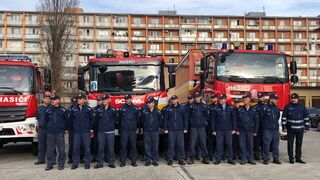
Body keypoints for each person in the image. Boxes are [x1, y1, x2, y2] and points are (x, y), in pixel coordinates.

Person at [282, 93, 309, 164]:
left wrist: (306, 127)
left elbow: (306, 117)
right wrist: (284, 127)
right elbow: (284, 117)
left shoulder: (302, 106)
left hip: (300, 129)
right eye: (292, 98)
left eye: (295, 98)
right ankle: (291, 158)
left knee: (299, 144)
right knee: (290, 144)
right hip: (290, 129)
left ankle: (298, 158)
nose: (293, 99)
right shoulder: (287, 106)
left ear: (297, 99)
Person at [211, 94, 237, 165]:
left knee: (229, 144)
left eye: (222, 99)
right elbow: (213, 120)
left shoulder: (230, 108)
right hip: (219, 129)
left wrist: (234, 129)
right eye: (220, 99)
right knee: (219, 144)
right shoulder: (216, 108)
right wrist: (213, 130)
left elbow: (234, 119)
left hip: (228, 129)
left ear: (225, 100)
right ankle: (218, 159)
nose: (220, 100)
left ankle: (230, 159)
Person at [70, 94, 93, 169]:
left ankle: (87, 163)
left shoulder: (89, 109)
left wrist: (91, 130)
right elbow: (71, 120)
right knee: (75, 148)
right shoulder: (73, 109)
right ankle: (75, 163)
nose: (78, 100)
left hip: (85, 132)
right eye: (78, 99)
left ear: (84, 100)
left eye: (80, 99)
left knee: (87, 148)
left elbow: (92, 120)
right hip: (76, 132)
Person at [45, 95, 67, 171]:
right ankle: (50, 164)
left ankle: (61, 164)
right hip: (50, 132)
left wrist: (64, 129)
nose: (52, 101)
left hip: (59, 132)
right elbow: (46, 120)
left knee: (61, 150)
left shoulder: (63, 110)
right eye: (51, 100)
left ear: (58, 100)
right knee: (50, 150)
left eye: (54, 100)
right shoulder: (48, 110)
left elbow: (66, 121)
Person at [164, 95, 188, 166]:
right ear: (171, 100)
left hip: (180, 130)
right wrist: (165, 128)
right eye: (172, 100)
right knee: (171, 145)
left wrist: (185, 128)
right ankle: (170, 159)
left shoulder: (182, 108)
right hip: (171, 130)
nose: (173, 101)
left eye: (174, 99)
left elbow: (185, 119)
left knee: (180, 145)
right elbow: (165, 119)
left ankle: (181, 159)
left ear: (177, 100)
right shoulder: (168, 109)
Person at [94, 95, 117, 169]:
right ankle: (99, 163)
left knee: (110, 148)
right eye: (102, 100)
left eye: (105, 99)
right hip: (101, 132)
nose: (103, 101)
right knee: (100, 148)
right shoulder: (99, 110)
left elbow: (115, 120)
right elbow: (96, 120)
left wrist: (111, 126)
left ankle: (111, 162)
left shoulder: (113, 110)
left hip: (110, 131)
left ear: (109, 100)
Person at [188, 92, 209, 165]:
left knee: (203, 143)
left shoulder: (204, 106)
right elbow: (188, 116)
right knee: (192, 144)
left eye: (198, 97)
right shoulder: (191, 106)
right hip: (193, 127)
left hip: (201, 128)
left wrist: (203, 122)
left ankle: (205, 158)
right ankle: (191, 158)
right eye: (195, 97)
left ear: (200, 97)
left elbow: (207, 116)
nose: (196, 98)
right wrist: (192, 123)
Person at [236, 95, 259, 165]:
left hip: (250, 130)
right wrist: (237, 130)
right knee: (242, 145)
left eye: (246, 99)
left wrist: (255, 131)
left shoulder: (253, 110)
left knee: (250, 145)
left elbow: (256, 121)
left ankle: (250, 159)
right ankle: (243, 159)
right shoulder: (240, 109)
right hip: (241, 130)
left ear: (249, 100)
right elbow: (236, 120)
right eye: (243, 99)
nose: (244, 100)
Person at [119, 94, 140, 167]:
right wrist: (120, 129)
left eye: (127, 99)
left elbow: (138, 120)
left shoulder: (135, 109)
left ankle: (133, 161)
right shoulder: (121, 109)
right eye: (125, 99)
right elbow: (119, 120)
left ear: (131, 99)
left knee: (133, 146)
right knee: (123, 146)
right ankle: (123, 161)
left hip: (132, 131)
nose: (126, 100)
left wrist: (138, 128)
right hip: (124, 131)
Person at [141, 96, 162, 166]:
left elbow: (160, 121)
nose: (148, 104)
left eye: (149, 103)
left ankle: (155, 160)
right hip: (147, 131)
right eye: (147, 103)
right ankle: (148, 160)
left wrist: (157, 127)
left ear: (153, 103)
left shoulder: (158, 111)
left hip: (155, 132)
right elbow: (142, 121)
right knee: (147, 146)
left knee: (155, 146)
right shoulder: (144, 111)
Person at [262, 94, 281, 165]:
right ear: (271, 99)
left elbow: (278, 117)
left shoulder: (276, 107)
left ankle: (276, 159)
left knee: (275, 145)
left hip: (275, 129)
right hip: (267, 129)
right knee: (266, 144)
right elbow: (262, 118)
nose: (276, 101)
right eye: (275, 99)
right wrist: (266, 125)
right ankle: (265, 159)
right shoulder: (265, 107)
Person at [34, 94, 51, 165]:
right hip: (42, 129)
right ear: (43, 99)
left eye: (48, 98)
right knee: (41, 145)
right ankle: (41, 159)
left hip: (50, 129)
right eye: (46, 98)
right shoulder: (39, 108)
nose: (47, 100)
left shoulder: (52, 107)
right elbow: (38, 118)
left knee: (51, 145)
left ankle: (53, 159)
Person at [253, 93, 266, 160]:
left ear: (264, 98)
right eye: (259, 97)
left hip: (265, 128)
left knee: (264, 143)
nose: (259, 98)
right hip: (257, 128)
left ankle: (264, 156)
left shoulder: (267, 107)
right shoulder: (255, 107)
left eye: (261, 97)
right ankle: (256, 156)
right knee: (256, 143)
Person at [92, 96, 103, 162]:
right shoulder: (93, 109)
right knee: (95, 144)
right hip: (95, 129)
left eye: (99, 100)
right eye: (97, 100)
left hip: (102, 129)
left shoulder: (104, 108)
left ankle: (104, 157)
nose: (98, 101)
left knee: (103, 144)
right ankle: (94, 157)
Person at [207, 94, 218, 161]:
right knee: (210, 142)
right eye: (212, 98)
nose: (212, 99)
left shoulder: (219, 106)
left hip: (218, 127)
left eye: (214, 98)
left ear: (217, 98)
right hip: (210, 127)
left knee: (218, 142)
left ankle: (217, 155)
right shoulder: (209, 107)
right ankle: (210, 155)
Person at [67, 96, 77, 164]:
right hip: (71, 129)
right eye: (73, 101)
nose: (74, 103)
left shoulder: (80, 108)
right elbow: (66, 119)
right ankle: (70, 158)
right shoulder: (69, 109)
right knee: (71, 144)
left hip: (78, 128)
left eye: (75, 101)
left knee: (79, 144)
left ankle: (80, 157)